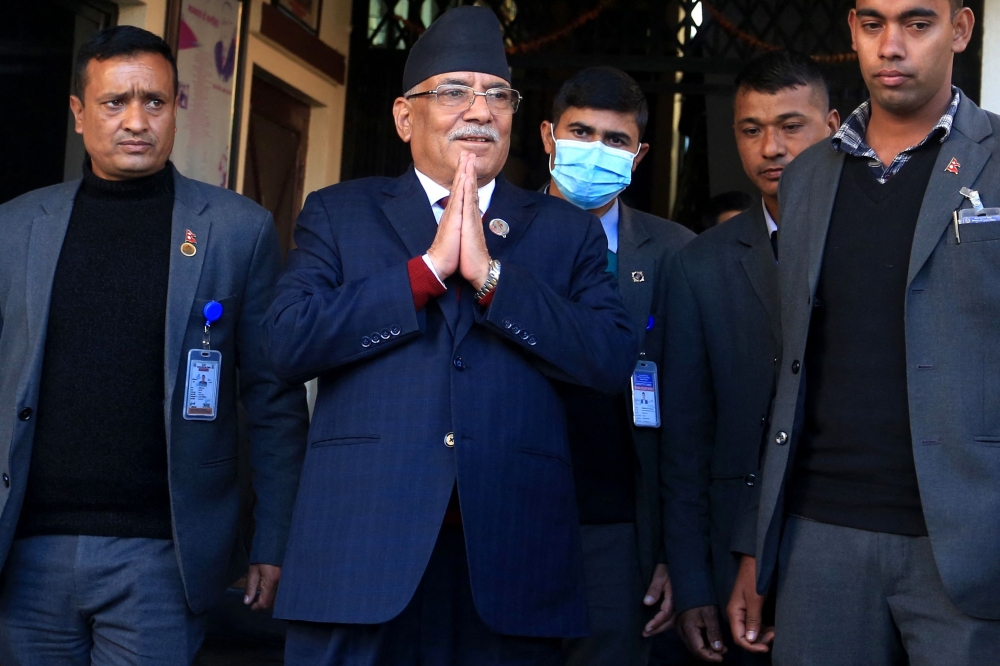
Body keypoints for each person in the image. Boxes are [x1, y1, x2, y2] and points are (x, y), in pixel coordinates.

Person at [267, 7, 638, 665]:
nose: (480, 111)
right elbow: (287, 342)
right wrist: (427, 272)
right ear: (404, 116)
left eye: (498, 95)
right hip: (360, 553)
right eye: (454, 92)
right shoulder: (340, 212)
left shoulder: (565, 230)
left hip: (510, 556)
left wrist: (494, 280)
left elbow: (610, 358)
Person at [0, 26, 308, 664]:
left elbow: (272, 399)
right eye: (114, 102)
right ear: (79, 112)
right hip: (27, 553)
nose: (136, 121)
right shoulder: (15, 226)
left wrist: (274, 536)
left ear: (175, 107)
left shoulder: (236, 231)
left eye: (155, 102)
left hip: (164, 559)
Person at [727, 2, 1000, 664]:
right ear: (851, 30)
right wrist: (758, 540)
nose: (891, 46)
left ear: (961, 30)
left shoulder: (994, 157)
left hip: (969, 539)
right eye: (874, 25)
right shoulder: (809, 176)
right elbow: (791, 367)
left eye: (917, 24)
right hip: (820, 532)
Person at [660, 51, 839, 665]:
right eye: (751, 129)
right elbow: (685, 441)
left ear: (833, 126)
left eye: (791, 126)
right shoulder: (699, 265)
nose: (771, 148)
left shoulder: (872, 244)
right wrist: (692, 585)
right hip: (728, 555)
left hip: (848, 543)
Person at [538, 65, 694, 666]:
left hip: (620, 526)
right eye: (581, 133)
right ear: (548, 136)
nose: (595, 151)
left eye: (615, 140)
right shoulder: (489, 233)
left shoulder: (677, 253)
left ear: (640, 154)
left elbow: (691, 414)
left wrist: (676, 552)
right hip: (510, 511)